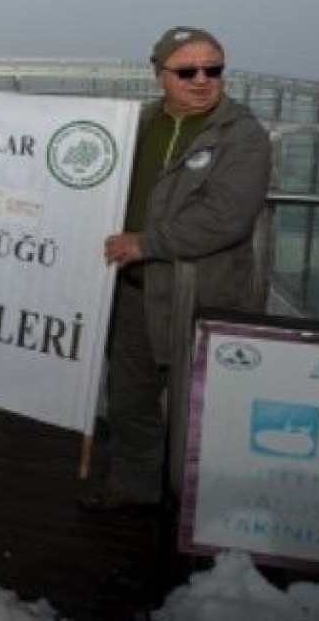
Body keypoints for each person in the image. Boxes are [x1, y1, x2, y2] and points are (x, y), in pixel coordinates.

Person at [83, 26, 271, 511]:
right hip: (134, 291)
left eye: (214, 69)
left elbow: (226, 218)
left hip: (203, 296)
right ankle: (134, 485)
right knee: (128, 399)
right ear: (160, 74)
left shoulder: (243, 135)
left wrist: (148, 243)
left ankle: (205, 503)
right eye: (187, 70)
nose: (203, 79)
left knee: (205, 408)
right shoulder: (139, 123)